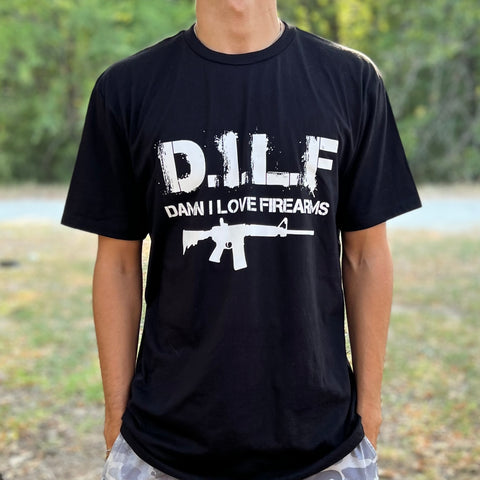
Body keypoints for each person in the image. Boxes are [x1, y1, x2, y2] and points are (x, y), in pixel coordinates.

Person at [62, 1, 421, 479]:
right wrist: (116, 418)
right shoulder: (126, 89)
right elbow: (118, 264)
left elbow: (366, 256)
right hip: (163, 441)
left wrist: (369, 412)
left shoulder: (351, 80)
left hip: (323, 440)